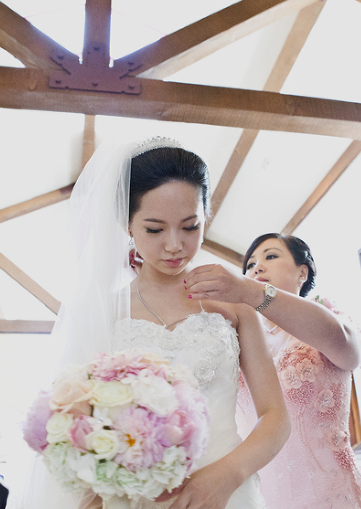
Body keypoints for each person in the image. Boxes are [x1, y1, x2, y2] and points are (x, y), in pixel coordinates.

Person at [32, 139, 290, 509]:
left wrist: (227, 474)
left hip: (227, 492)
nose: (175, 245)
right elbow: (80, 422)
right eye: (155, 229)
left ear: (206, 216)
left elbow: (276, 417)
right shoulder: (105, 312)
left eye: (190, 226)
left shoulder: (235, 304)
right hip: (132, 497)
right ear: (128, 227)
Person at [184, 233, 361, 509]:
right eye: (250, 264)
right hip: (260, 497)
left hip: (333, 498)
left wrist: (251, 291)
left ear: (302, 272)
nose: (257, 267)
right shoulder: (237, 339)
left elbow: (348, 351)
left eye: (271, 256)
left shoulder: (328, 317)